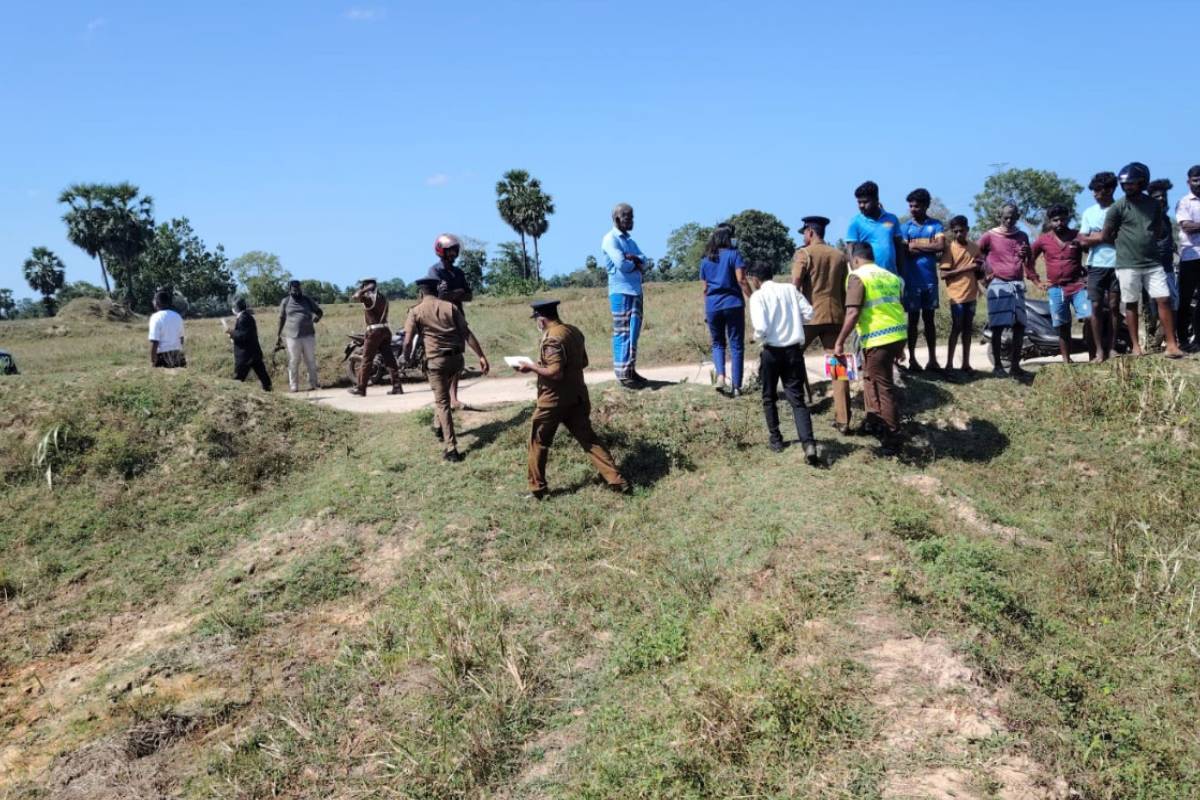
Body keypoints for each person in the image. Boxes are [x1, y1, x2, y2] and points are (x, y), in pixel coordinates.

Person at [514, 300, 628, 499]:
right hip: (577, 395)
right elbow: (584, 361)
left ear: (541, 319)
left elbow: (555, 373)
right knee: (589, 440)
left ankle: (538, 489)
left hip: (553, 400)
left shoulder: (551, 339)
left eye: (537, 320)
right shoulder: (573, 331)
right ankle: (616, 480)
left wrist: (531, 367)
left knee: (538, 442)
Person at [1102, 162, 1184, 358]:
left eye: (1131, 183)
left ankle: (1171, 345)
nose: (1127, 187)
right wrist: (1127, 245)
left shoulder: (1154, 205)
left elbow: (1156, 231)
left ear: (1142, 182)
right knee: (1131, 303)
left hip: (1153, 263)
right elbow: (1106, 235)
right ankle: (1136, 347)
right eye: (1124, 184)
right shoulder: (1117, 207)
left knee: (1164, 299)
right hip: (1127, 263)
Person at [403, 277, 490, 462]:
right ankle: (437, 426)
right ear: (437, 290)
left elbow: (408, 340)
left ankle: (451, 449)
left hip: (436, 362)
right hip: (457, 361)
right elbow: (467, 333)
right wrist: (481, 356)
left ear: (420, 293)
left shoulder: (415, 311)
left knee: (442, 403)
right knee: (442, 395)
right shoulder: (451, 307)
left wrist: (407, 357)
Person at [833, 243, 908, 453]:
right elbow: (895, 307)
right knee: (870, 379)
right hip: (897, 335)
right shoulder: (890, 276)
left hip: (878, 338)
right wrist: (900, 347)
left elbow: (852, 313)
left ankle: (893, 439)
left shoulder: (857, 277)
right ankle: (874, 422)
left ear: (855, 259)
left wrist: (839, 341)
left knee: (883, 387)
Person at [747, 261, 821, 463]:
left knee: (769, 396)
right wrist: (793, 323)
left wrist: (756, 337)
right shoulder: (790, 289)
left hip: (771, 352)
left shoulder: (757, 297)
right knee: (797, 399)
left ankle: (776, 439)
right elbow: (809, 313)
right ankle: (808, 443)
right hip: (793, 351)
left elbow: (761, 327)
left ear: (755, 279)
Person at [792, 214, 851, 431]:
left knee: (792, 355)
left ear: (809, 232)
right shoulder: (840, 256)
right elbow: (846, 288)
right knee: (838, 366)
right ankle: (843, 419)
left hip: (810, 318)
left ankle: (802, 403)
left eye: (805, 233)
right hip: (836, 317)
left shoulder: (804, 254)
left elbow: (795, 287)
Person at [978, 203, 1037, 378]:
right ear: (1000, 217)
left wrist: (1026, 254)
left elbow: (1028, 261)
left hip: (1017, 283)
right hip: (998, 284)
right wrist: (984, 276)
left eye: (1012, 217)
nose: (1009, 220)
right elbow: (976, 255)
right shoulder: (990, 235)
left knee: (1019, 325)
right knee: (997, 326)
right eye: (1006, 217)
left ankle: (1015, 366)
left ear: (1018, 217)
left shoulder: (1022, 236)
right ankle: (997, 366)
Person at [1031, 204, 1091, 363]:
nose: (1059, 223)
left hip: (1078, 286)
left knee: (1090, 317)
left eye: (1062, 219)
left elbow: (1093, 253)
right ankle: (1066, 360)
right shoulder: (1043, 240)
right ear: (1050, 221)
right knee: (1062, 325)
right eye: (1055, 220)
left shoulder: (1077, 235)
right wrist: (1036, 281)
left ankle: (1093, 354)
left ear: (1068, 219)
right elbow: (1028, 259)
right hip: (1056, 288)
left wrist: (1089, 274)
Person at [601, 203, 650, 388]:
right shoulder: (610, 239)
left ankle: (630, 369)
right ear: (617, 219)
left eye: (632, 217)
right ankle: (622, 374)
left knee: (634, 331)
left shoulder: (629, 241)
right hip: (620, 291)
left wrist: (636, 259)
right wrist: (634, 263)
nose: (631, 221)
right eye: (628, 217)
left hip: (635, 290)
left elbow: (644, 261)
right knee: (622, 332)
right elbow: (622, 264)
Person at [699, 224, 749, 397]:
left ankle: (720, 376)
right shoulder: (734, 255)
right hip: (733, 303)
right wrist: (754, 297)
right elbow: (741, 279)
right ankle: (736, 386)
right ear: (728, 238)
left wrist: (707, 311)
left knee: (717, 343)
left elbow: (705, 289)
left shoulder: (705, 260)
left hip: (713, 306)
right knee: (736, 345)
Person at [427, 233, 475, 409]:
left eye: (455, 250)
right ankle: (444, 398)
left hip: (458, 318)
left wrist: (455, 294)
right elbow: (438, 296)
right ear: (441, 251)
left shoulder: (458, 272)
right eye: (450, 251)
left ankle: (454, 398)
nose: (454, 254)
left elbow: (469, 295)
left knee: (457, 358)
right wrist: (457, 293)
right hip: (442, 321)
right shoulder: (435, 271)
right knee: (447, 358)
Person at [900, 188, 945, 371]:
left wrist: (916, 244)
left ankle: (932, 360)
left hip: (930, 281)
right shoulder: (904, 228)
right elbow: (905, 250)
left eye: (916, 206)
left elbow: (941, 245)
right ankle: (912, 359)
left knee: (929, 321)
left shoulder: (936, 225)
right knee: (912, 321)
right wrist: (929, 245)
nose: (912, 209)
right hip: (911, 281)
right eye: (910, 206)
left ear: (926, 206)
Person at [1079, 172, 1122, 361]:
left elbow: (1122, 238)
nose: (1095, 194)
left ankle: (1112, 348)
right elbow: (1081, 240)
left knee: (1113, 306)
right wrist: (1104, 236)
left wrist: (1097, 236)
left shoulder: (1121, 209)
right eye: (1094, 191)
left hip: (1118, 263)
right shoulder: (1089, 213)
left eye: (1099, 190)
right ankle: (1098, 351)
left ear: (1111, 189)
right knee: (1095, 306)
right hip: (1095, 265)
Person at [937, 216, 984, 374]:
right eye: (955, 231)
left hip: (971, 294)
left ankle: (966, 364)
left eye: (961, 231)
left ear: (967, 230)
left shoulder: (975, 247)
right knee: (956, 327)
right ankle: (949, 364)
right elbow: (944, 274)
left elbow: (978, 270)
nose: (958, 234)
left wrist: (981, 274)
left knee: (968, 329)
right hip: (956, 295)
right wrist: (967, 267)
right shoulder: (949, 249)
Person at [347, 277, 404, 396]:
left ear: (367, 286)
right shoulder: (383, 298)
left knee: (367, 360)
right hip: (385, 330)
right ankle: (397, 386)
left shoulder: (368, 298)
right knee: (390, 360)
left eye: (363, 285)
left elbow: (356, 296)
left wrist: (364, 289)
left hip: (373, 332)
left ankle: (361, 388)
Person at [1144, 179, 1179, 348]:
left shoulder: (1165, 217)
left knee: (1172, 303)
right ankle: (1153, 342)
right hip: (1152, 268)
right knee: (1154, 308)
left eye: (1163, 196)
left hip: (1168, 267)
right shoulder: (1148, 218)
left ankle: (1162, 339)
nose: (1161, 199)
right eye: (1157, 197)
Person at [846, 180, 905, 275]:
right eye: (859, 202)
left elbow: (899, 248)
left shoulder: (892, 219)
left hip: (891, 276)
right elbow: (850, 250)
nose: (861, 206)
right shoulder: (855, 222)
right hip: (868, 278)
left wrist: (902, 276)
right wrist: (855, 275)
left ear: (876, 200)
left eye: (865, 202)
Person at [276, 279, 323, 391]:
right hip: (292, 336)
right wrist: (278, 334)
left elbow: (319, 311)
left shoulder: (307, 300)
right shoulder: (286, 301)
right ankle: (294, 386)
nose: (296, 291)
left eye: (298, 288)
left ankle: (313, 384)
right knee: (293, 361)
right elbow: (281, 318)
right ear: (290, 290)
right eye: (294, 289)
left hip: (308, 335)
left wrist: (317, 318)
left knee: (310, 360)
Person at [1174, 166, 1200, 350]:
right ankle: (1182, 339)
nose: (1198, 184)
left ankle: (1198, 339)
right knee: (1185, 299)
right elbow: (1187, 226)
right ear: (1188, 182)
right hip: (1190, 257)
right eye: (1195, 180)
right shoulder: (1184, 202)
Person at [227, 297, 271, 390]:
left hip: (246, 355)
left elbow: (243, 335)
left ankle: (235, 395)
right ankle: (269, 390)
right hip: (253, 353)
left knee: (238, 378)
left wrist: (232, 333)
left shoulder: (243, 318)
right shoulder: (246, 317)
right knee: (263, 375)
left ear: (235, 308)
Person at [148, 289, 186, 368]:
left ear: (157, 302)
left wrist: (153, 361)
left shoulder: (155, 317)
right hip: (178, 356)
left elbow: (155, 342)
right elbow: (181, 339)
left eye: (153, 301)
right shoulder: (177, 316)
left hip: (163, 358)